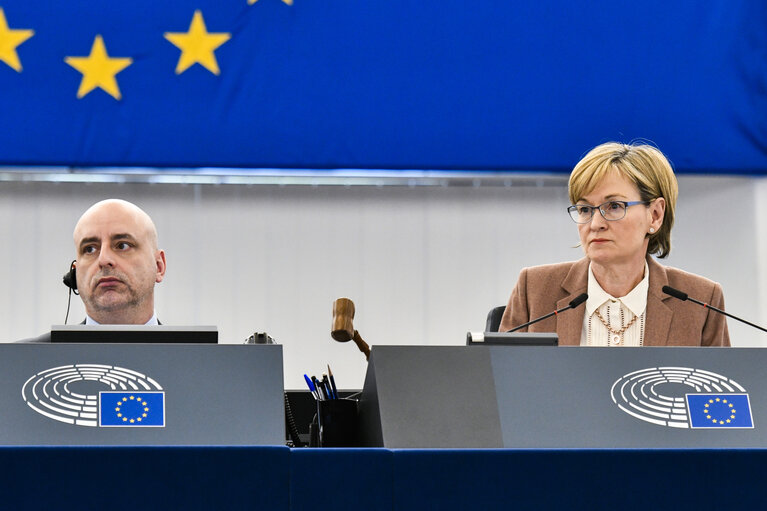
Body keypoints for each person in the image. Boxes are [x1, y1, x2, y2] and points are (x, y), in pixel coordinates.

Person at [498, 142, 730, 346]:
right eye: (585, 209)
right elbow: (503, 387)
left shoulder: (700, 301)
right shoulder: (536, 290)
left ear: (656, 215)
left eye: (615, 206)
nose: (595, 223)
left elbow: (719, 392)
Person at [21, 199, 166, 342]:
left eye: (122, 245)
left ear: (159, 266)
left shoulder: (188, 359)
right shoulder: (24, 360)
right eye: (90, 249)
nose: (103, 260)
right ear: (75, 273)